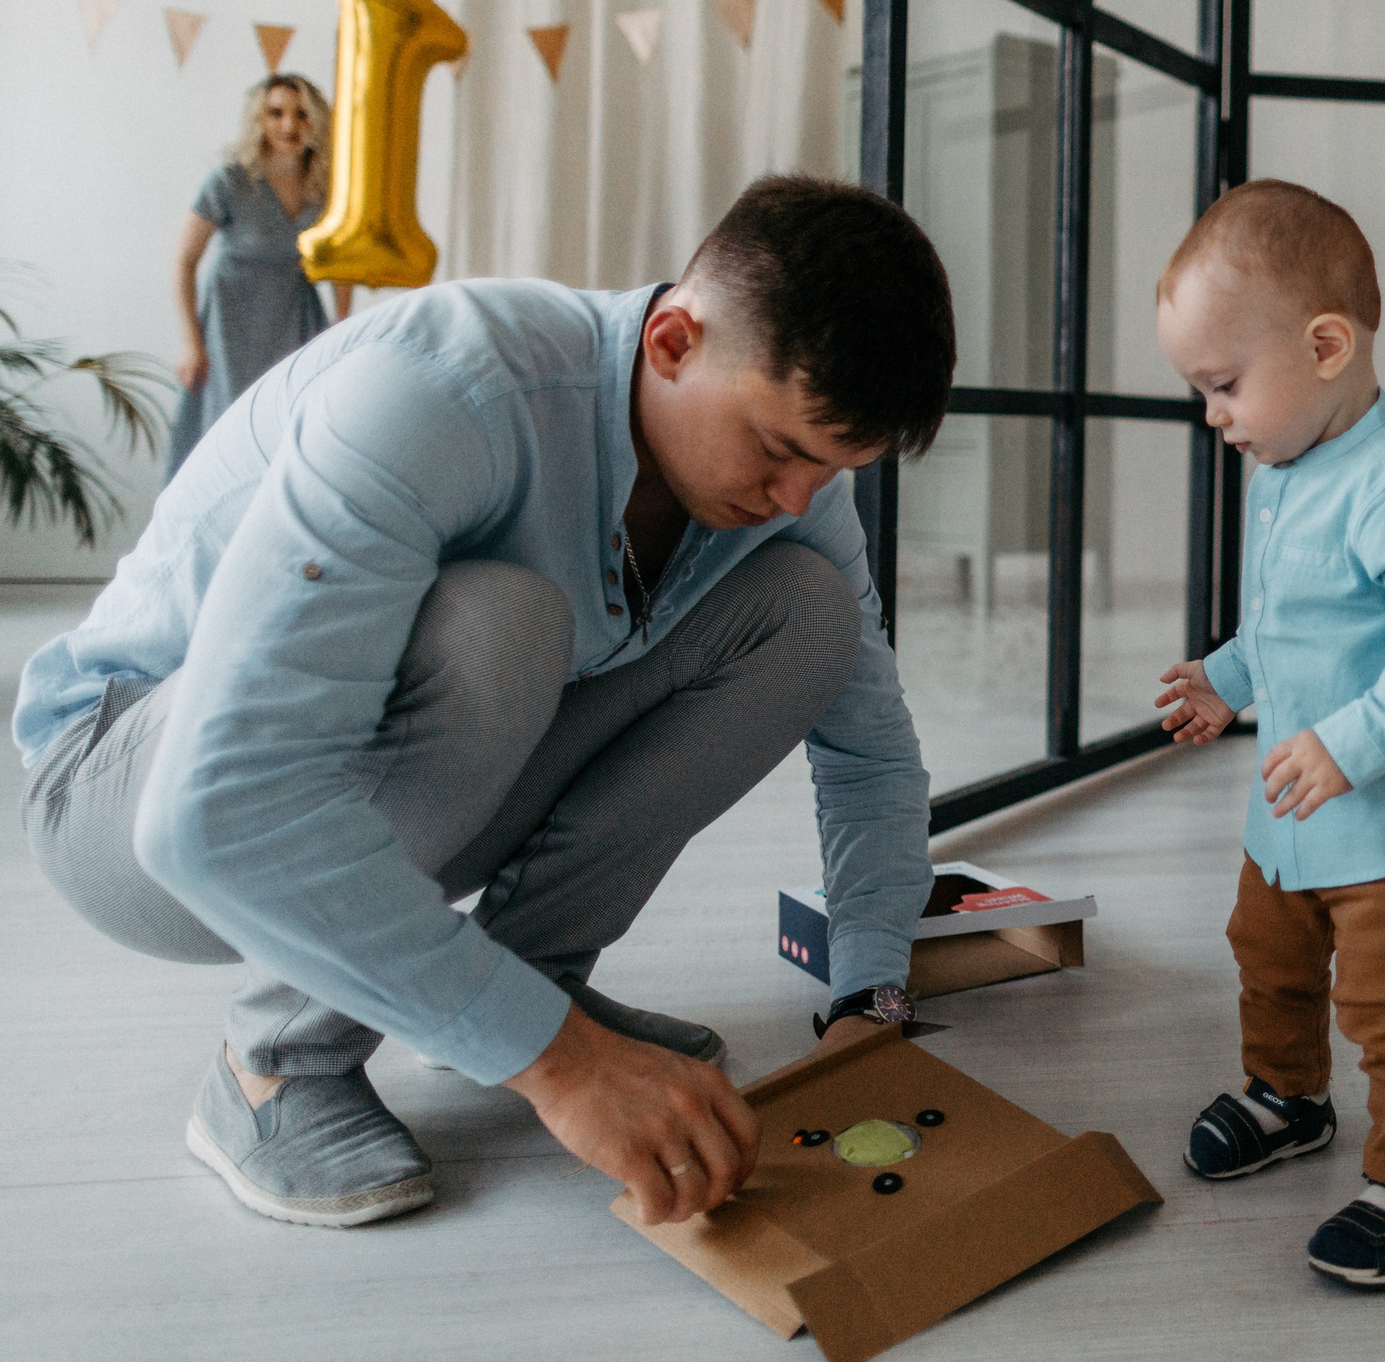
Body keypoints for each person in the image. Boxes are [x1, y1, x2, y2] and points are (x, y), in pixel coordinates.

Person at [15, 175, 956, 1230]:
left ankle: (523, 977)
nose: (798, 498)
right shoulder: (445, 384)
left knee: (806, 611)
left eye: (833, 469)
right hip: (124, 791)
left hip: (313, 791)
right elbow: (209, 814)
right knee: (503, 625)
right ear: (674, 342)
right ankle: (273, 1065)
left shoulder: (791, 498)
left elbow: (870, 752)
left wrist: (867, 999)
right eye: (781, 449)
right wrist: (564, 1068)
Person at [1154, 180, 1385, 1289]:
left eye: (1222, 385)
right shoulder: (1287, 472)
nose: (1213, 415)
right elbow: (1290, 624)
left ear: (1325, 345)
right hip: (1295, 812)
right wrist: (1224, 677)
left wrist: (1351, 745)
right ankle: (1287, 1096)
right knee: (1269, 954)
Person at [167, 73, 354, 478]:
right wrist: (191, 343)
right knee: (227, 439)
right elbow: (184, 261)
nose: (289, 125)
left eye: (302, 114)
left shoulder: (329, 189)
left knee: (291, 435)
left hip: (296, 322)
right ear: (259, 118)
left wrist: (342, 331)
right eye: (276, 113)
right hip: (230, 329)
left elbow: (342, 268)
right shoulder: (229, 181)